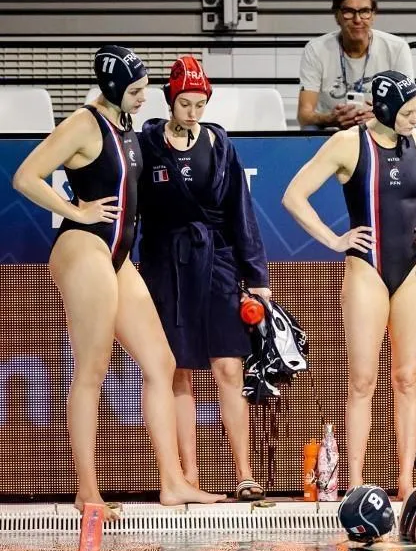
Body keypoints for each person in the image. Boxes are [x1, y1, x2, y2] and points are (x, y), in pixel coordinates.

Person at [11, 45, 224, 518]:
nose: (146, 97)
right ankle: (87, 492)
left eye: (145, 88)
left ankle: (172, 482)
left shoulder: (128, 127)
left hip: (118, 255)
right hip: (83, 248)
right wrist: (75, 211)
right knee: (91, 370)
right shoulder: (85, 124)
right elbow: (26, 176)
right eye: (136, 90)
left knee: (161, 361)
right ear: (112, 89)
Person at [282, 71, 416, 499]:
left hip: (415, 268)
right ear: (385, 110)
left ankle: (405, 480)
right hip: (366, 269)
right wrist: (335, 239)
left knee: (407, 377)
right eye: (409, 112)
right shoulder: (349, 143)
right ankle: (356, 481)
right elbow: (293, 195)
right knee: (362, 381)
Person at [137, 56, 272, 501]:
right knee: (176, 371)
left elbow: (241, 213)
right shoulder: (147, 145)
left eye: (200, 103)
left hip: (217, 261)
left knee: (229, 367)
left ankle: (245, 473)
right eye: (185, 103)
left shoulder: (219, 144)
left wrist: (256, 276)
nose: (193, 111)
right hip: (165, 264)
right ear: (170, 100)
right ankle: (187, 478)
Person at [298, 0, 415, 130]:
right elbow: (304, 115)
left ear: (373, 16)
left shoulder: (397, 48)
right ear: (337, 16)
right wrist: (331, 118)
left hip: (379, 127)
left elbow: (409, 106)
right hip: (332, 129)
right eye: (349, 11)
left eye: (364, 11)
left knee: (404, 128)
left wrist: (380, 115)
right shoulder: (316, 49)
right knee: (309, 129)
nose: (357, 19)